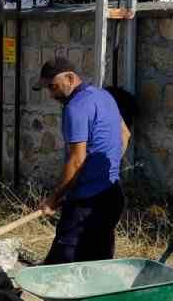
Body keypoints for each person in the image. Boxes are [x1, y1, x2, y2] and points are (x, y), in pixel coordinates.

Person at [33, 56, 130, 264]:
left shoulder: (75, 107)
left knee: (61, 264)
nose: (51, 94)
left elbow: (77, 160)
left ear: (69, 77)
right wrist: (108, 168)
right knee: (98, 262)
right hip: (112, 195)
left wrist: (54, 198)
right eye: (48, 89)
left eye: (53, 86)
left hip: (86, 202)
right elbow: (125, 134)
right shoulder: (104, 96)